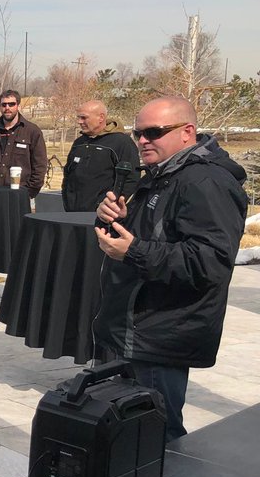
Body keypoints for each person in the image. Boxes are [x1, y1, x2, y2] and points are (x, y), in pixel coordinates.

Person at [94, 96, 246, 442]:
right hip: (134, 330)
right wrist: (114, 219)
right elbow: (148, 237)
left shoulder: (206, 183)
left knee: (155, 438)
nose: (143, 141)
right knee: (124, 437)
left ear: (187, 132)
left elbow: (210, 262)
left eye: (154, 132)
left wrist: (133, 251)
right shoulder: (163, 174)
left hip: (160, 337)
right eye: (138, 133)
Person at [0, 89, 47, 299]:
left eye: (11, 104)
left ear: (18, 105)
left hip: (17, 198)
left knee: (16, 242)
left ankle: (16, 288)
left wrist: (30, 191)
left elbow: (40, 165)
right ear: (0, 106)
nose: (7, 108)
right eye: (4, 104)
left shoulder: (32, 131)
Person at [61, 99, 140, 212]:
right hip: (73, 213)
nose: (79, 121)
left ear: (101, 118)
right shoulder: (79, 143)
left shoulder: (121, 142)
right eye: (78, 117)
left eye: (84, 117)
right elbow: (68, 175)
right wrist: (67, 201)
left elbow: (131, 179)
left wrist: (112, 207)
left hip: (103, 216)